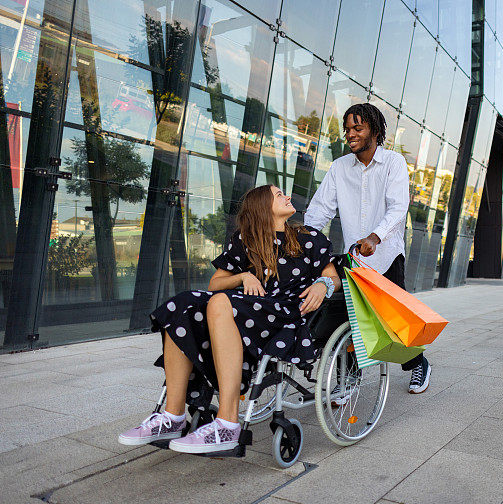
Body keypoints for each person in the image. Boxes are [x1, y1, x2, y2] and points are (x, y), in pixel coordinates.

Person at [118, 185, 341, 453]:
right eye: (279, 195)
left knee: (221, 301)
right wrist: (243, 276)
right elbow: (216, 283)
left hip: (284, 312)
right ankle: (172, 417)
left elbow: (333, 275)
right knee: (183, 303)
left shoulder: (308, 237)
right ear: (262, 207)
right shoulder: (245, 240)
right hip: (246, 307)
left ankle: (227, 424)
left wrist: (322, 285)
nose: (288, 197)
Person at [304, 102, 431, 394]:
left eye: (357, 128)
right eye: (348, 129)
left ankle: (418, 364)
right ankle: (348, 379)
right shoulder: (339, 167)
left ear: (374, 130)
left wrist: (375, 237)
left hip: (387, 255)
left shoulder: (394, 163)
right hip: (354, 260)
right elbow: (320, 209)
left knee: (395, 321)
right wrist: (306, 239)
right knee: (347, 317)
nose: (350, 134)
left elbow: (399, 207)